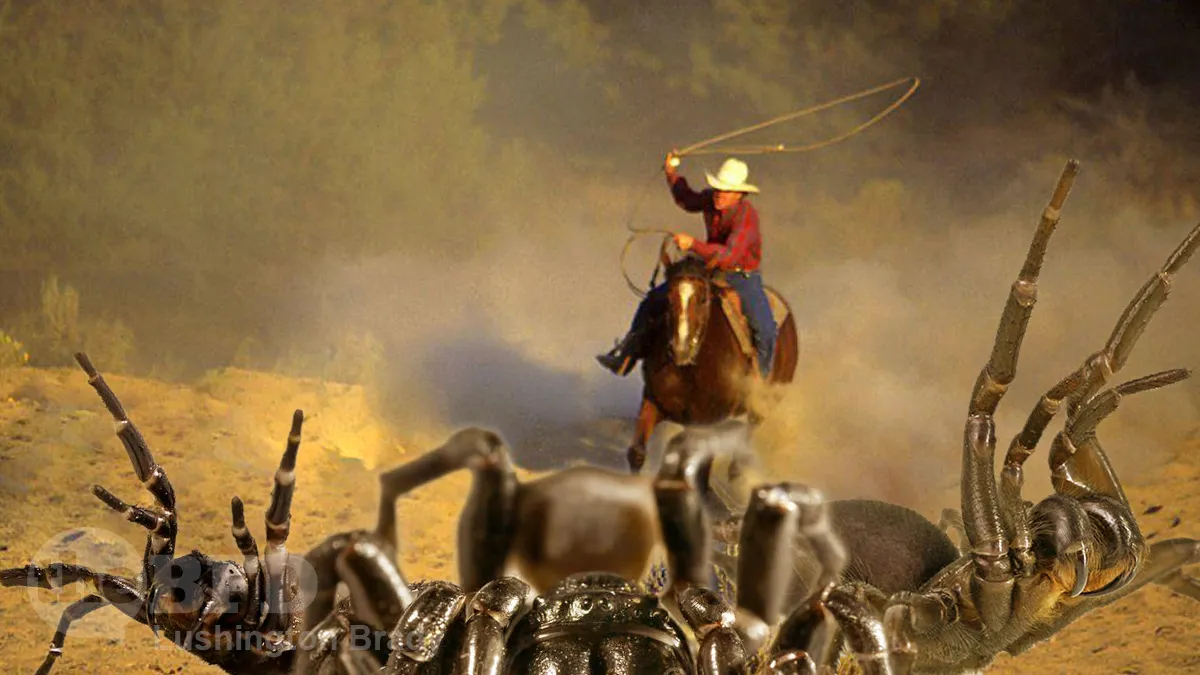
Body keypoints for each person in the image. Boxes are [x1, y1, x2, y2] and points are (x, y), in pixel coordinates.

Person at [597, 151, 777, 378]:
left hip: (742, 277)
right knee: (653, 300)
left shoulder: (746, 216)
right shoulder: (711, 199)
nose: (720, 194)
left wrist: (693, 244)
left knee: (766, 329)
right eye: (719, 188)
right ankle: (626, 355)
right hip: (709, 269)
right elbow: (686, 199)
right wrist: (671, 173)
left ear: (739, 194)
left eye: (726, 190)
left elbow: (729, 255)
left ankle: (760, 381)